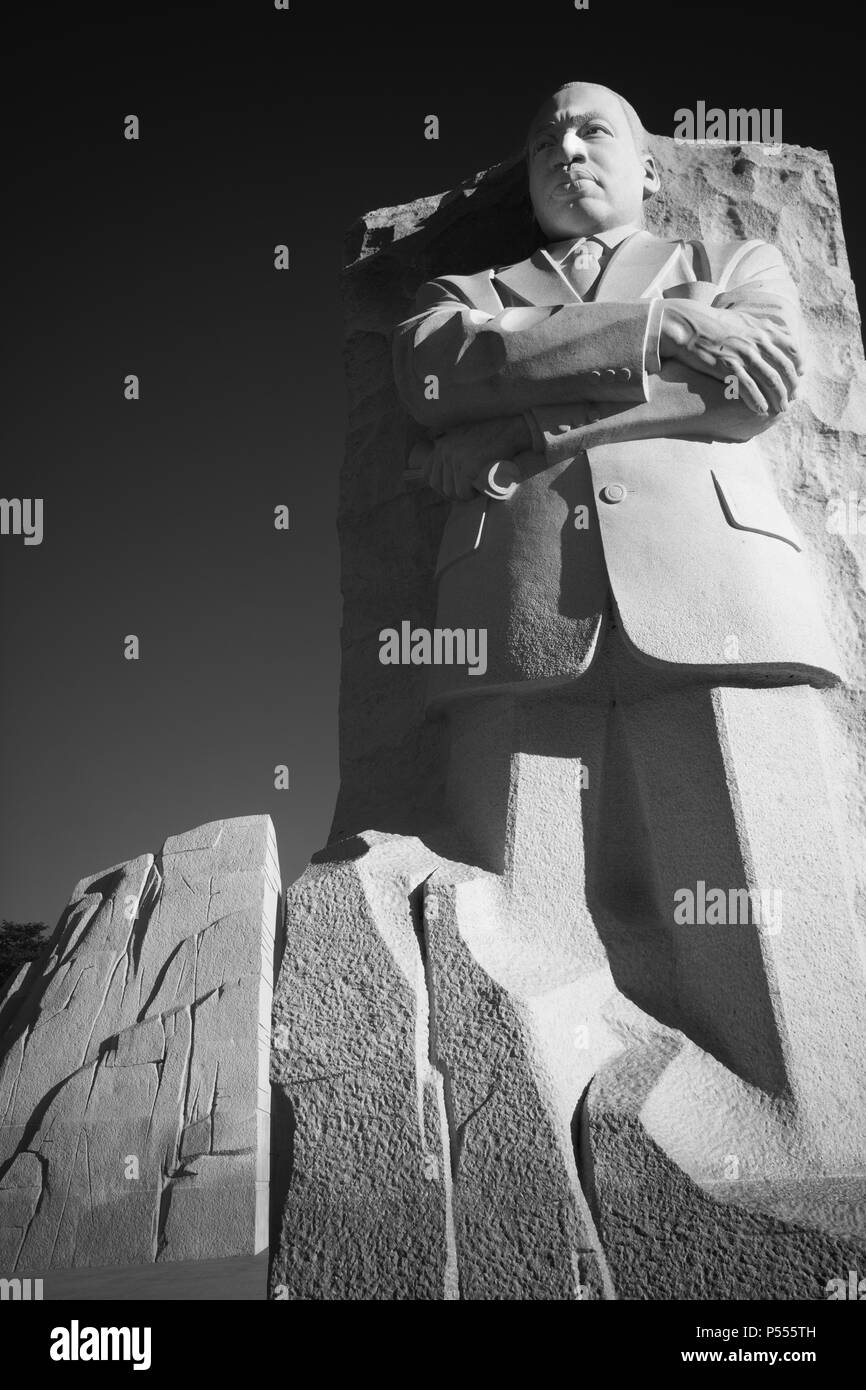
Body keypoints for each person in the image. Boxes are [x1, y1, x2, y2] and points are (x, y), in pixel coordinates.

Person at [391, 81, 866, 1177]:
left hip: (721, 598)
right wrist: (667, 332)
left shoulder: (730, 263)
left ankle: (824, 1167)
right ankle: (540, 1183)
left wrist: (521, 434)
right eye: (542, 141)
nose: (566, 149)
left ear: (650, 167)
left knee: (776, 942)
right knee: (522, 937)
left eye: (592, 128)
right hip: (517, 620)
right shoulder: (462, 294)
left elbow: (754, 391)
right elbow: (437, 374)